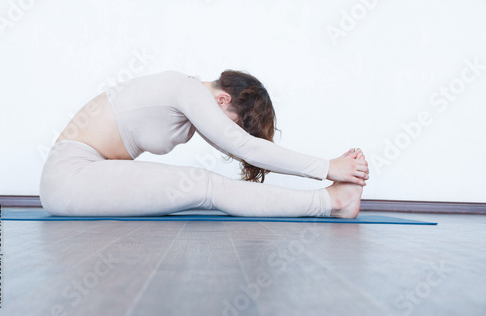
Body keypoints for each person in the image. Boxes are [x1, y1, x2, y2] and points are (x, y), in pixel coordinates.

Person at [39, 70, 369, 218]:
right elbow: (245, 147)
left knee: (202, 186)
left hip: (89, 175)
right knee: (204, 185)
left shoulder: (188, 97)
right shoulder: (188, 90)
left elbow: (242, 146)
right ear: (223, 99)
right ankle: (332, 202)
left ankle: (331, 200)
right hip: (70, 177)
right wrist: (327, 167)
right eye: (235, 123)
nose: (230, 136)